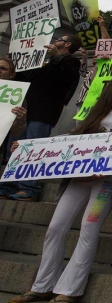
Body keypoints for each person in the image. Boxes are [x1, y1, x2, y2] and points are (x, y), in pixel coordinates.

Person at [9, 72, 112, 303]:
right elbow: (71, 136)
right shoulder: (97, 111)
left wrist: (110, 163)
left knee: (88, 227)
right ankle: (42, 286)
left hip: (107, 181)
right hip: (80, 178)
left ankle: (70, 290)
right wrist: (29, 148)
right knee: (55, 227)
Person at [1, 34, 82, 202]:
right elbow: (23, 78)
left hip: (43, 112)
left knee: (32, 151)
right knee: (14, 150)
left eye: (59, 39)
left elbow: (67, 77)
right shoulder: (41, 60)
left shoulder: (71, 62)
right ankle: (8, 186)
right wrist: (16, 55)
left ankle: (29, 188)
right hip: (22, 110)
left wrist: (57, 57)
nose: (55, 41)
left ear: (67, 44)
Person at [0, 57, 27, 171]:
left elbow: (16, 133)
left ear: (11, 75)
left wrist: (21, 120)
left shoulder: (16, 96)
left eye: (3, 68)